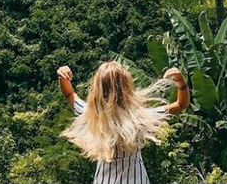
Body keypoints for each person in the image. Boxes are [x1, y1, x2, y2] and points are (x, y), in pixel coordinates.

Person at [57, 61, 190, 184]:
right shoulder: (139, 118)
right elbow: (180, 105)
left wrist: (63, 77)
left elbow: (70, 95)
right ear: (126, 87)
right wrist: (182, 85)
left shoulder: (93, 115)